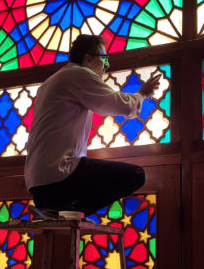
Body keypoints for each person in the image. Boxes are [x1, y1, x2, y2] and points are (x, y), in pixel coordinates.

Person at [24, 34, 161, 219]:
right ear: (88, 59)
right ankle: (68, 212)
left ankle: (60, 210)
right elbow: (120, 105)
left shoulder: (50, 82)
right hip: (59, 173)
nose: (106, 67)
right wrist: (142, 94)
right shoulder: (79, 74)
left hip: (37, 181)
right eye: (104, 60)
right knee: (135, 175)